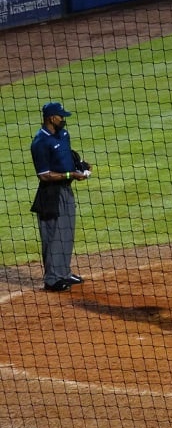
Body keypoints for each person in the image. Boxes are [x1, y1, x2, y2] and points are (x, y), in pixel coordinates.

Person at [30, 102, 91, 292]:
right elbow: (44, 175)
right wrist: (69, 175)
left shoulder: (63, 134)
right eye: (60, 116)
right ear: (51, 118)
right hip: (50, 194)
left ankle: (63, 272)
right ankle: (52, 279)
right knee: (53, 234)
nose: (63, 119)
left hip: (66, 190)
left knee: (66, 232)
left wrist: (80, 166)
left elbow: (68, 158)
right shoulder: (40, 142)